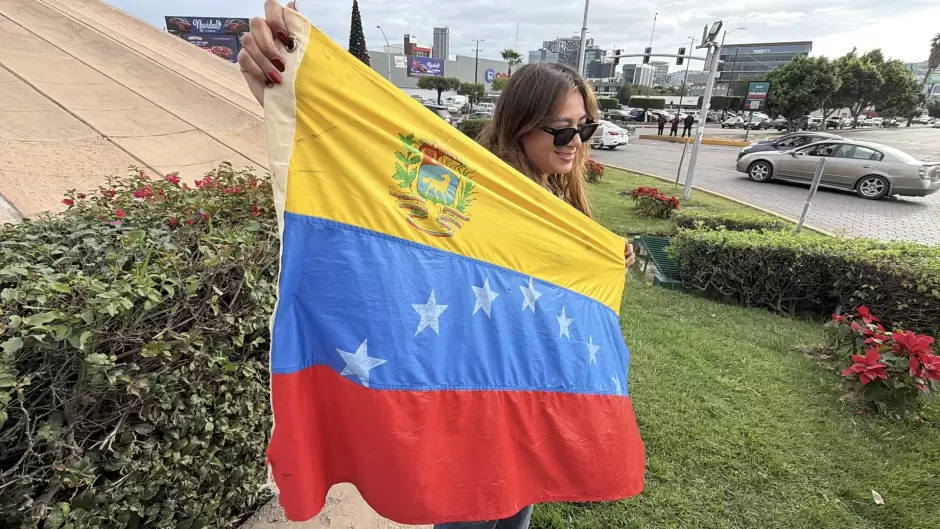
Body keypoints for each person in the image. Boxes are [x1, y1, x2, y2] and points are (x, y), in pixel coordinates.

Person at [239, 2, 636, 528]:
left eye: (584, 128)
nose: (576, 143)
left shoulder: (557, 203)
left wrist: (611, 256)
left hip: (520, 397)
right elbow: (357, 159)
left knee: (515, 514)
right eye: (561, 129)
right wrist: (281, 84)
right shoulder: (471, 187)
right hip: (471, 403)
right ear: (521, 124)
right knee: (469, 511)